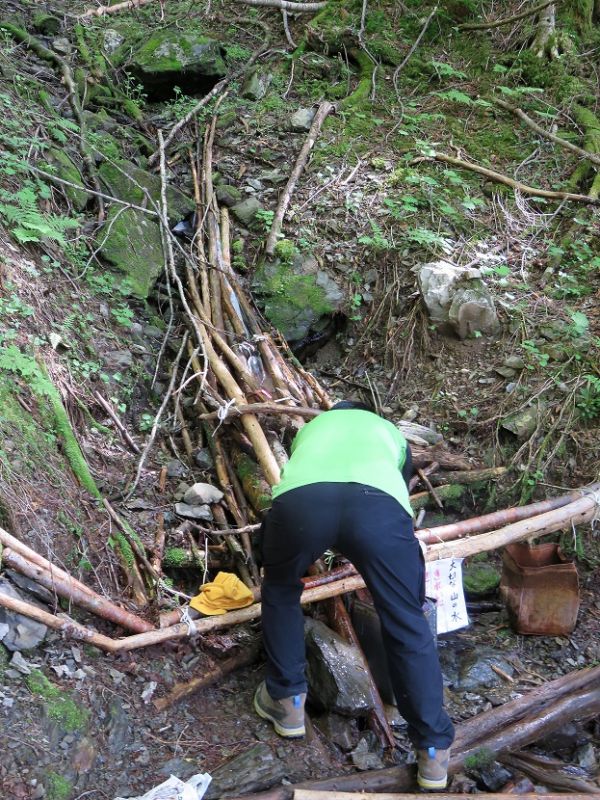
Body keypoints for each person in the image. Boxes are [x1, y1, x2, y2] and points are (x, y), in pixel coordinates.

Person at [253, 401, 455, 790]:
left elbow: (312, 478)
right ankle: (432, 750)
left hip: (302, 505)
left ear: (334, 412)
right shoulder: (390, 434)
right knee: (405, 618)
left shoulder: (311, 429)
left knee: (280, 588)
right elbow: (398, 484)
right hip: (378, 508)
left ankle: (288, 703)